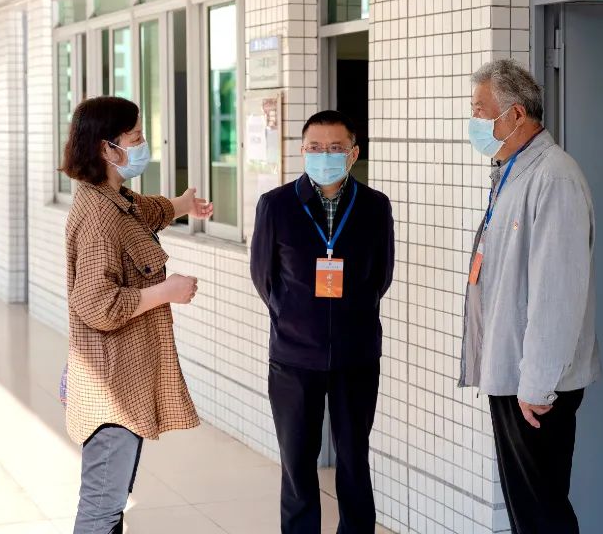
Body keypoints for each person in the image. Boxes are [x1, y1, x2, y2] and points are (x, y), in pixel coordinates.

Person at [459, 60, 600, 534]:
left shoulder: (553, 177)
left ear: (516, 114)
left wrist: (537, 383)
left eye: (481, 110)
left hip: (536, 385)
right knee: (529, 509)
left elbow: (557, 291)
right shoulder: (513, 171)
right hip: (513, 371)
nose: (474, 121)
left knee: (542, 513)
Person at [61, 96, 214, 534]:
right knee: (102, 508)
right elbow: (96, 303)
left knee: (111, 503)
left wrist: (183, 204)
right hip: (111, 388)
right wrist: (166, 292)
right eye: (136, 138)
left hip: (122, 379)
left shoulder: (112, 198)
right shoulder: (99, 217)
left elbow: (145, 211)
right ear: (106, 148)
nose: (144, 145)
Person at [250, 110, 395, 534]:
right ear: (302, 151)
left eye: (335, 148)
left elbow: (381, 276)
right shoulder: (276, 205)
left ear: (353, 153)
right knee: (297, 463)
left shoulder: (374, 206)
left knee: (354, 461)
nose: (324, 155)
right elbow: (263, 277)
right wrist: (294, 319)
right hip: (294, 357)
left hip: (356, 355)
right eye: (315, 147)